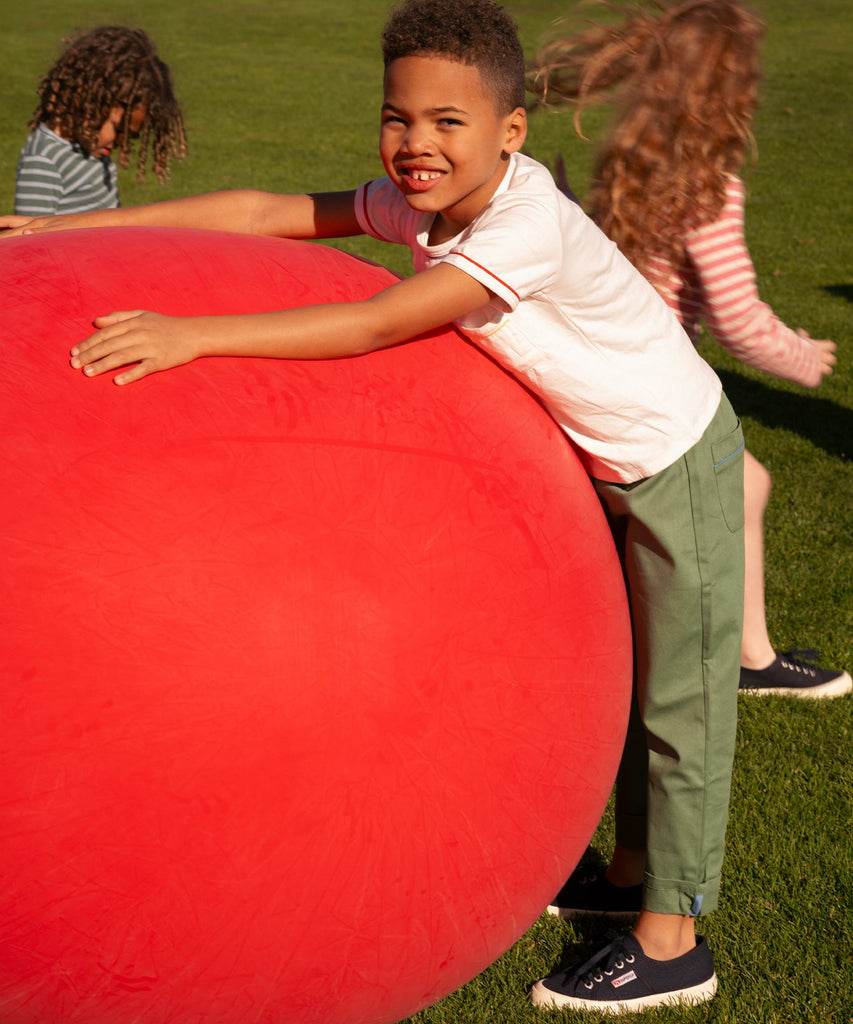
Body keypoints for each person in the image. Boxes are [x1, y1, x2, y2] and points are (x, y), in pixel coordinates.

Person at [2, 0, 745, 1011]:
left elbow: (374, 322)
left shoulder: (522, 226)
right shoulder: (427, 203)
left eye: (448, 122)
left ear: (509, 134)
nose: (416, 145)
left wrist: (198, 336)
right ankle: (625, 881)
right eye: (399, 119)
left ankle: (673, 939)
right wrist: (69, 229)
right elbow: (267, 213)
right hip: (605, 454)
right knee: (630, 684)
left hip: (670, 457)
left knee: (680, 701)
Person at [532, 0, 851, 703]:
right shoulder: (707, 188)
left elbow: (609, 255)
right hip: (649, 385)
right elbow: (736, 317)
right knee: (739, 485)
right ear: (731, 93)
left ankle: (704, 648)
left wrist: (562, 202)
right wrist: (799, 356)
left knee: (719, 491)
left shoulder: (634, 159)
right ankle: (748, 661)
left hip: (609, 364)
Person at [14, 25, 186, 216]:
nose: (119, 142)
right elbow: (29, 238)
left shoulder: (89, 146)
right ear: (86, 99)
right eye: (118, 129)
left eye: (129, 135)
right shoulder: (45, 160)